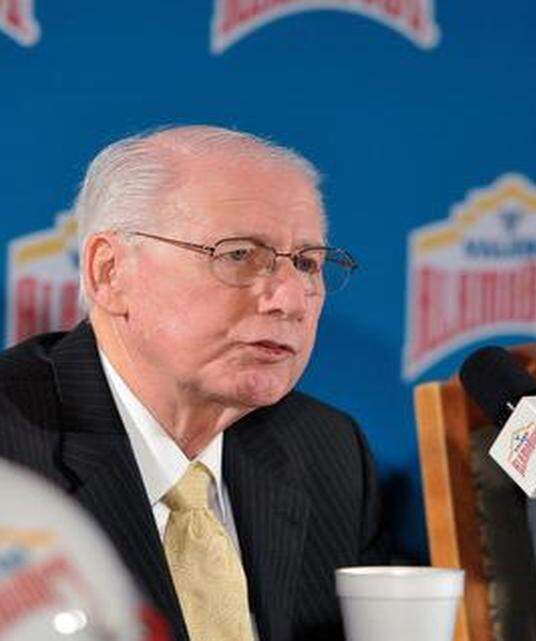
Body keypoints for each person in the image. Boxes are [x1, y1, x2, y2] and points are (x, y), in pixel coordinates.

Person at [0, 125, 386, 641]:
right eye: (239, 255)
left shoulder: (326, 451)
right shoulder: (10, 449)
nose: (290, 300)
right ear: (110, 272)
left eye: (308, 264)